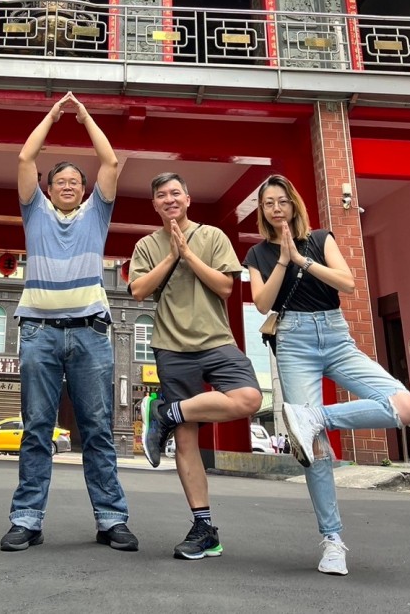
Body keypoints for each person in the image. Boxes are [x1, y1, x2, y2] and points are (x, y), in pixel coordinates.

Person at [246, 173, 410, 576]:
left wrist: (303, 259)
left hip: (336, 337)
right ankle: (332, 540)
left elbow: (348, 283)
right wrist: (284, 259)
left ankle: (313, 417)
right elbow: (262, 303)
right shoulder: (257, 254)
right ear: (262, 211)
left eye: (282, 201)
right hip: (294, 341)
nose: (276, 209)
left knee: (405, 406)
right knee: (316, 449)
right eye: (269, 203)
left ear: (294, 204)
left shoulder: (321, 239)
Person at [0, 92, 138, 553]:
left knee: (97, 427)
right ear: (48, 188)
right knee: (36, 427)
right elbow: (25, 158)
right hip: (38, 331)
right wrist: (52, 115)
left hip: (90, 330)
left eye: (75, 181)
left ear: (84, 189)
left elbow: (111, 162)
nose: (67, 186)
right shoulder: (34, 211)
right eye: (59, 180)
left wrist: (85, 117)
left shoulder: (97, 213)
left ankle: (111, 519)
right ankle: (26, 519)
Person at [129, 172, 262, 560]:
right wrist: (171, 255)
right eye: (161, 195)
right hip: (171, 347)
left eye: (176, 193)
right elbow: (139, 291)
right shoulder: (146, 245)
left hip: (217, 342)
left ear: (188, 199)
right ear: (154, 205)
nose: (169, 199)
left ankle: (166, 413)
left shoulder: (213, 237)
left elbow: (226, 287)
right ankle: (204, 528)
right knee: (187, 440)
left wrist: (188, 254)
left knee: (249, 398)